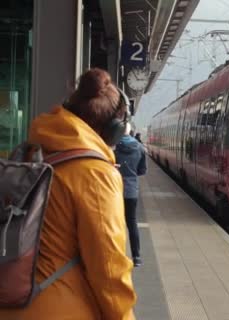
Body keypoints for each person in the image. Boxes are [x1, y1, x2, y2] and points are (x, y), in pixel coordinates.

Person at [0, 68, 137, 319]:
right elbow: (109, 269)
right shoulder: (96, 174)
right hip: (60, 309)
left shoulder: (30, 151)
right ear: (114, 130)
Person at [115, 124, 147, 267]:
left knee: (115, 223)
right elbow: (142, 170)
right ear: (130, 132)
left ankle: (118, 255)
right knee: (132, 222)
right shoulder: (140, 148)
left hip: (115, 190)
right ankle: (137, 256)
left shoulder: (113, 147)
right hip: (132, 190)